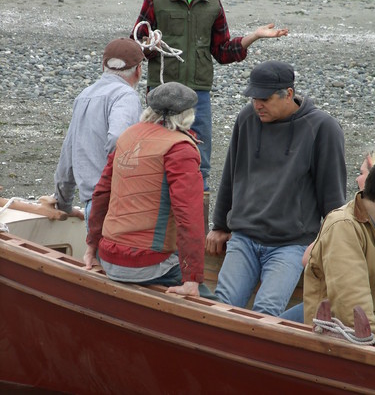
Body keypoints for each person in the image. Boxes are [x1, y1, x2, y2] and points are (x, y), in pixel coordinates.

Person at [130, 0, 289, 194]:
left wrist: (254, 36)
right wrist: (151, 45)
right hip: (161, 90)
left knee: (199, 157)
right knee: (156, 152)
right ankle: (156, 208)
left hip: (199, 94)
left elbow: (223, 51)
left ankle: (198, 210)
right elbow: (136, 44)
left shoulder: (213, 5)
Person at [205, 60, 347, 316]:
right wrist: (220, 226)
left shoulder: (323, 128)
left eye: (264, 98)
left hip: (291, 244)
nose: (257, 104)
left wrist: (329, 247)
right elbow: (231, 173)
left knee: (266, 312)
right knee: (221, 307)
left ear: (288, 94)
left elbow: (333, 198)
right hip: (244, 237)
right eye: (253, 98)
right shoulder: (247, 118)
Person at [84, 82, 215, 299]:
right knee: (212, 306)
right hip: (147, 264)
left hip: (107, 256)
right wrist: (192, 279)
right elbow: (189, 217)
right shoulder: (179, 148)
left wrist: (91, 248)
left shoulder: (127, 136)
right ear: (188, 114)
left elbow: (101, 194)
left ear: (149, 110)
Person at [54, 38, 145, 227]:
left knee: (93, 256)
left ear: (103, 65)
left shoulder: (84, 95)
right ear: (138, 70)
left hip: (91, 203)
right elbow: (120, 138)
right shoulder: (126, 95)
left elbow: (68, 155)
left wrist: (63, 203)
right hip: (116, 203)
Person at [280, 150, 375, 324]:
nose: (356, 179)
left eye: (361, 174)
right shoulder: (344, 225)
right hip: (332, 329)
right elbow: (355, 315)